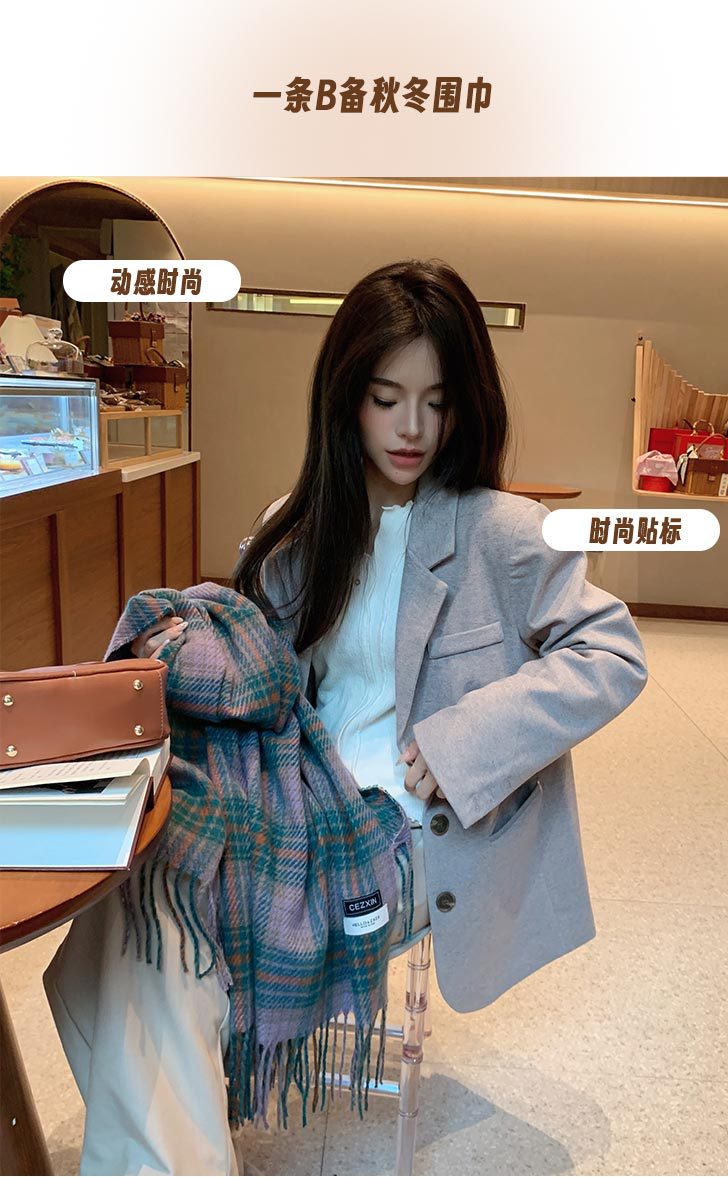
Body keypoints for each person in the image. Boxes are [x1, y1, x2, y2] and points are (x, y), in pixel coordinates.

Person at [44, 258, 648, 1175]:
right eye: (385, 398)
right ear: (346, 397)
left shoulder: (505, 531)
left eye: (437, 402)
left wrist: (465, 739)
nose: (412, 428)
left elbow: (613, 652)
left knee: (163, 930)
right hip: (298, 795)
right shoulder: (299, 525)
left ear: (466, 404)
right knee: (131, 907)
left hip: (409, 827)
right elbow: (258, 675)